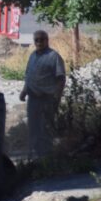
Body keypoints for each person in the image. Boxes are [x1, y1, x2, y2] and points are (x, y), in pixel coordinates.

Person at [19, 30, 66, 159]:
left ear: (47, 40)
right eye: (36, 40)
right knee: (33, 128)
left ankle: (48, 157)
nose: (39, 42)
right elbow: (29, 76)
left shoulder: (53, 56)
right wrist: (24, 91)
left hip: (47, 98)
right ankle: (35, 156)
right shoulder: (33, 56)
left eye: (42, 39)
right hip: (33, 98)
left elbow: (61, 78)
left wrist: (57, 96)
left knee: (46, 128)